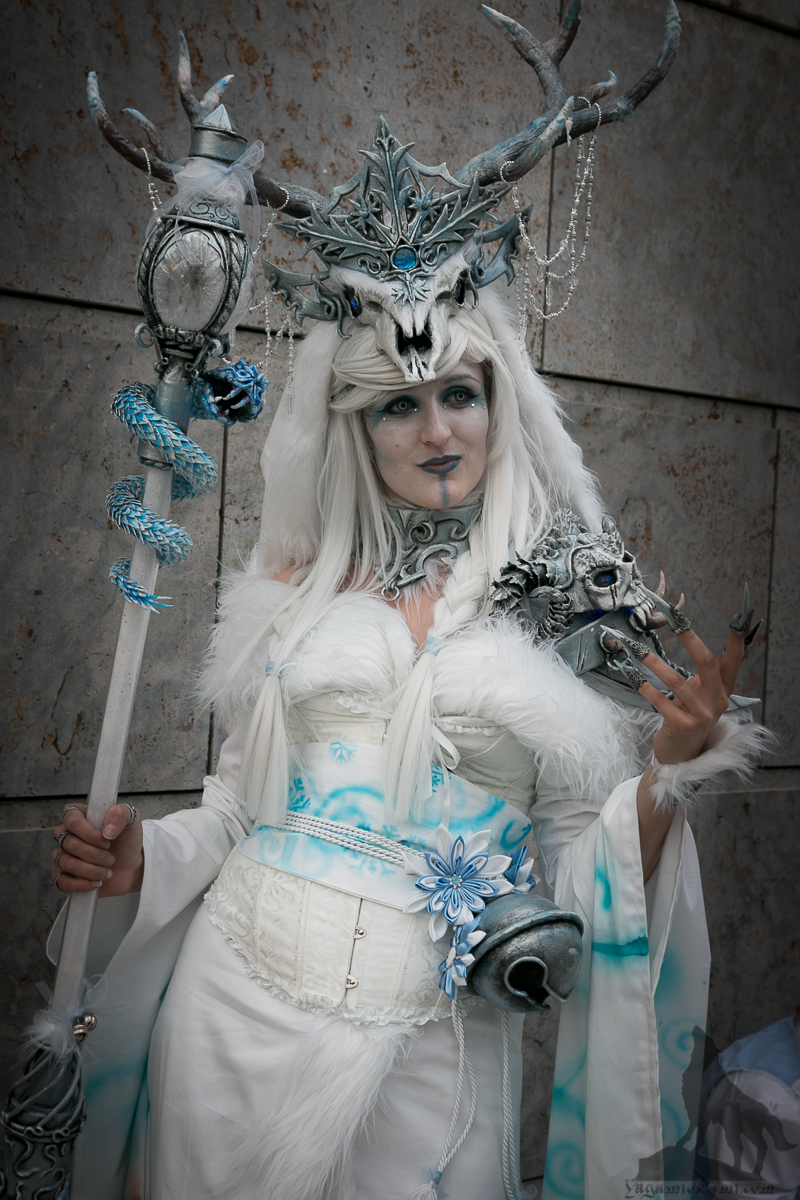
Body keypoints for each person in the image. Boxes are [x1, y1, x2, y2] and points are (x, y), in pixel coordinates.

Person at [49, 285, 766, 1200]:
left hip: (439, 1042)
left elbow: (583, 874)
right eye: (399, 405)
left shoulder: (569, 617)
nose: (436, 432)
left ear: (497, 404)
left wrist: (669, 768)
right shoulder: (297, 584)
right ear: (358, 425)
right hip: (230, 1010)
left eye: (459, 395)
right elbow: (236, 812)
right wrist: (141, 859)